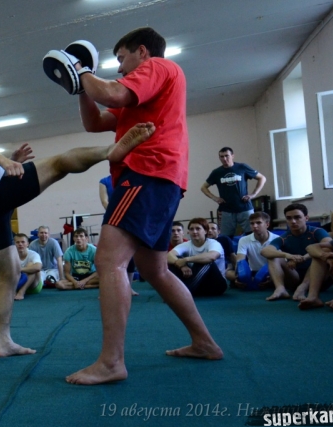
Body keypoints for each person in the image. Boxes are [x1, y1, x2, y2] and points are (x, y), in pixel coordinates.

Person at [0, 88, 152, 358]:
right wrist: (4, 161)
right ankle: (110, 151)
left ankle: (3, 342)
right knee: (60, 163)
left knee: (9, 275)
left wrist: (10, 161)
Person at [61, 27, 222, 385]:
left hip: (146, 172)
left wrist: (81, 69)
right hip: (161, 179)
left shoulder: (160, 67)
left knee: (108, 261)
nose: (120, 68)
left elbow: (113, 92)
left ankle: (111, 363)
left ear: (143, 52)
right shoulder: (144, 99)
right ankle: (204, 343)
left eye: (122, 58)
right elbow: (94, 122)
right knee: (155, 269)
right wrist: (80, 87)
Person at [260, 204, 331, 301]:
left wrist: (304, 257)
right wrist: (288, 255)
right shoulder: (284, 237)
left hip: (318, 278)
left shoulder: (317, 232)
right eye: (289, 218)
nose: (293, 221)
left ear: (306, 218)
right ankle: (280, 289)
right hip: (294, 278)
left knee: (321, 254)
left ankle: (303, 287)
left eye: (297, 217)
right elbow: (265, 251)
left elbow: (329, 246)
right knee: (273, 255)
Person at [201, 148, 266, 237]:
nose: (224, 159)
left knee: (252, 234)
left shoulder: (242, 167)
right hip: (226, 209)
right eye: (222, 156)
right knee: (226, 237)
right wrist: (215, 198)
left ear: (232, 156)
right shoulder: (216, 172)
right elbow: (203, 187)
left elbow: (262, 178)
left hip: (245, 207)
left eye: (227, 156)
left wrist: (253, 194)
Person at [168, 218, 227, 297]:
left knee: (206, 261)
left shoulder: (214, 243)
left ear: (205, 231)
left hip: (215, 285)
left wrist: (186, 260)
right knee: (175, 259)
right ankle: (180, 289)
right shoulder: (186, 244)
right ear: (189, 232)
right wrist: (182, 265)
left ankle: (182, 293)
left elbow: (212, 256)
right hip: (197, 284)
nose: (194, 231)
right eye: (191, 229)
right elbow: (168, 256)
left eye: (198, 229)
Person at [226, 212, 278, 288]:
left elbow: (282, 262)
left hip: (272, 272)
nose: (255, 226)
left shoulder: (277, 239)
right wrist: (238, 275)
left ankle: (272, 280)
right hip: (252, 272)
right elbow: (240, 260)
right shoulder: (244, 240)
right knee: (228, 273)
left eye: (258, 223)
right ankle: (250, 280)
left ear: (267, 224)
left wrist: (272, 277)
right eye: (252, 223)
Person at [14, 234, 43, 300]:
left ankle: (21, 292)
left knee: (30, 264)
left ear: (27, 244)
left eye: (23, 242)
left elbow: (38, 267)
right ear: (14, 244)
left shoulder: (33, 254)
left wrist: (19, 269)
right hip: (19, 284)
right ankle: (13, 291)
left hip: (34, 286)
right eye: (17, 242)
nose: (20, 244)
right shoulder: (12, 255)